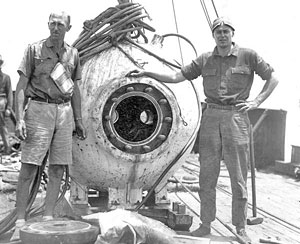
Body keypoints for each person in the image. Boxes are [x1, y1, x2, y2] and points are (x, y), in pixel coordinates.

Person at [128, 17, 279, 244]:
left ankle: (240, 227)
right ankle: (205, 224)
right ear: (213, 36)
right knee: (207, 175)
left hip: (235, 119)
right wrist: (148, 74)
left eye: (226, 31)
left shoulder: (248, 55)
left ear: (232, 33)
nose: (222, 35)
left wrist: (257, 101)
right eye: (218, 32)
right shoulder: (205, 59)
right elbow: (177, 76)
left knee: (238, 176)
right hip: (210, 118)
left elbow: (273, 78)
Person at [11, 11, 86, 241]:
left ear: (68, 28)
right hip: (38, 110)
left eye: (60, 24)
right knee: (29, 167)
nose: (55, 28)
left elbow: (75, 90)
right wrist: (20, 119)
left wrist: (79, 119)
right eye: (52, 24)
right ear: (48, 25)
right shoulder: (34, 51)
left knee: (58, 167)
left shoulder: (73, 54)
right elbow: (21, 86)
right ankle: (20, 222)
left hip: (63, 112)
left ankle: (48, 218)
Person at [0, 55, 13, 154]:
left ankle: (7, 147)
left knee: (2, 125)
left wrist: (9, 107)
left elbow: (9, 94)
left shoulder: (6, 78)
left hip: (1, 101)